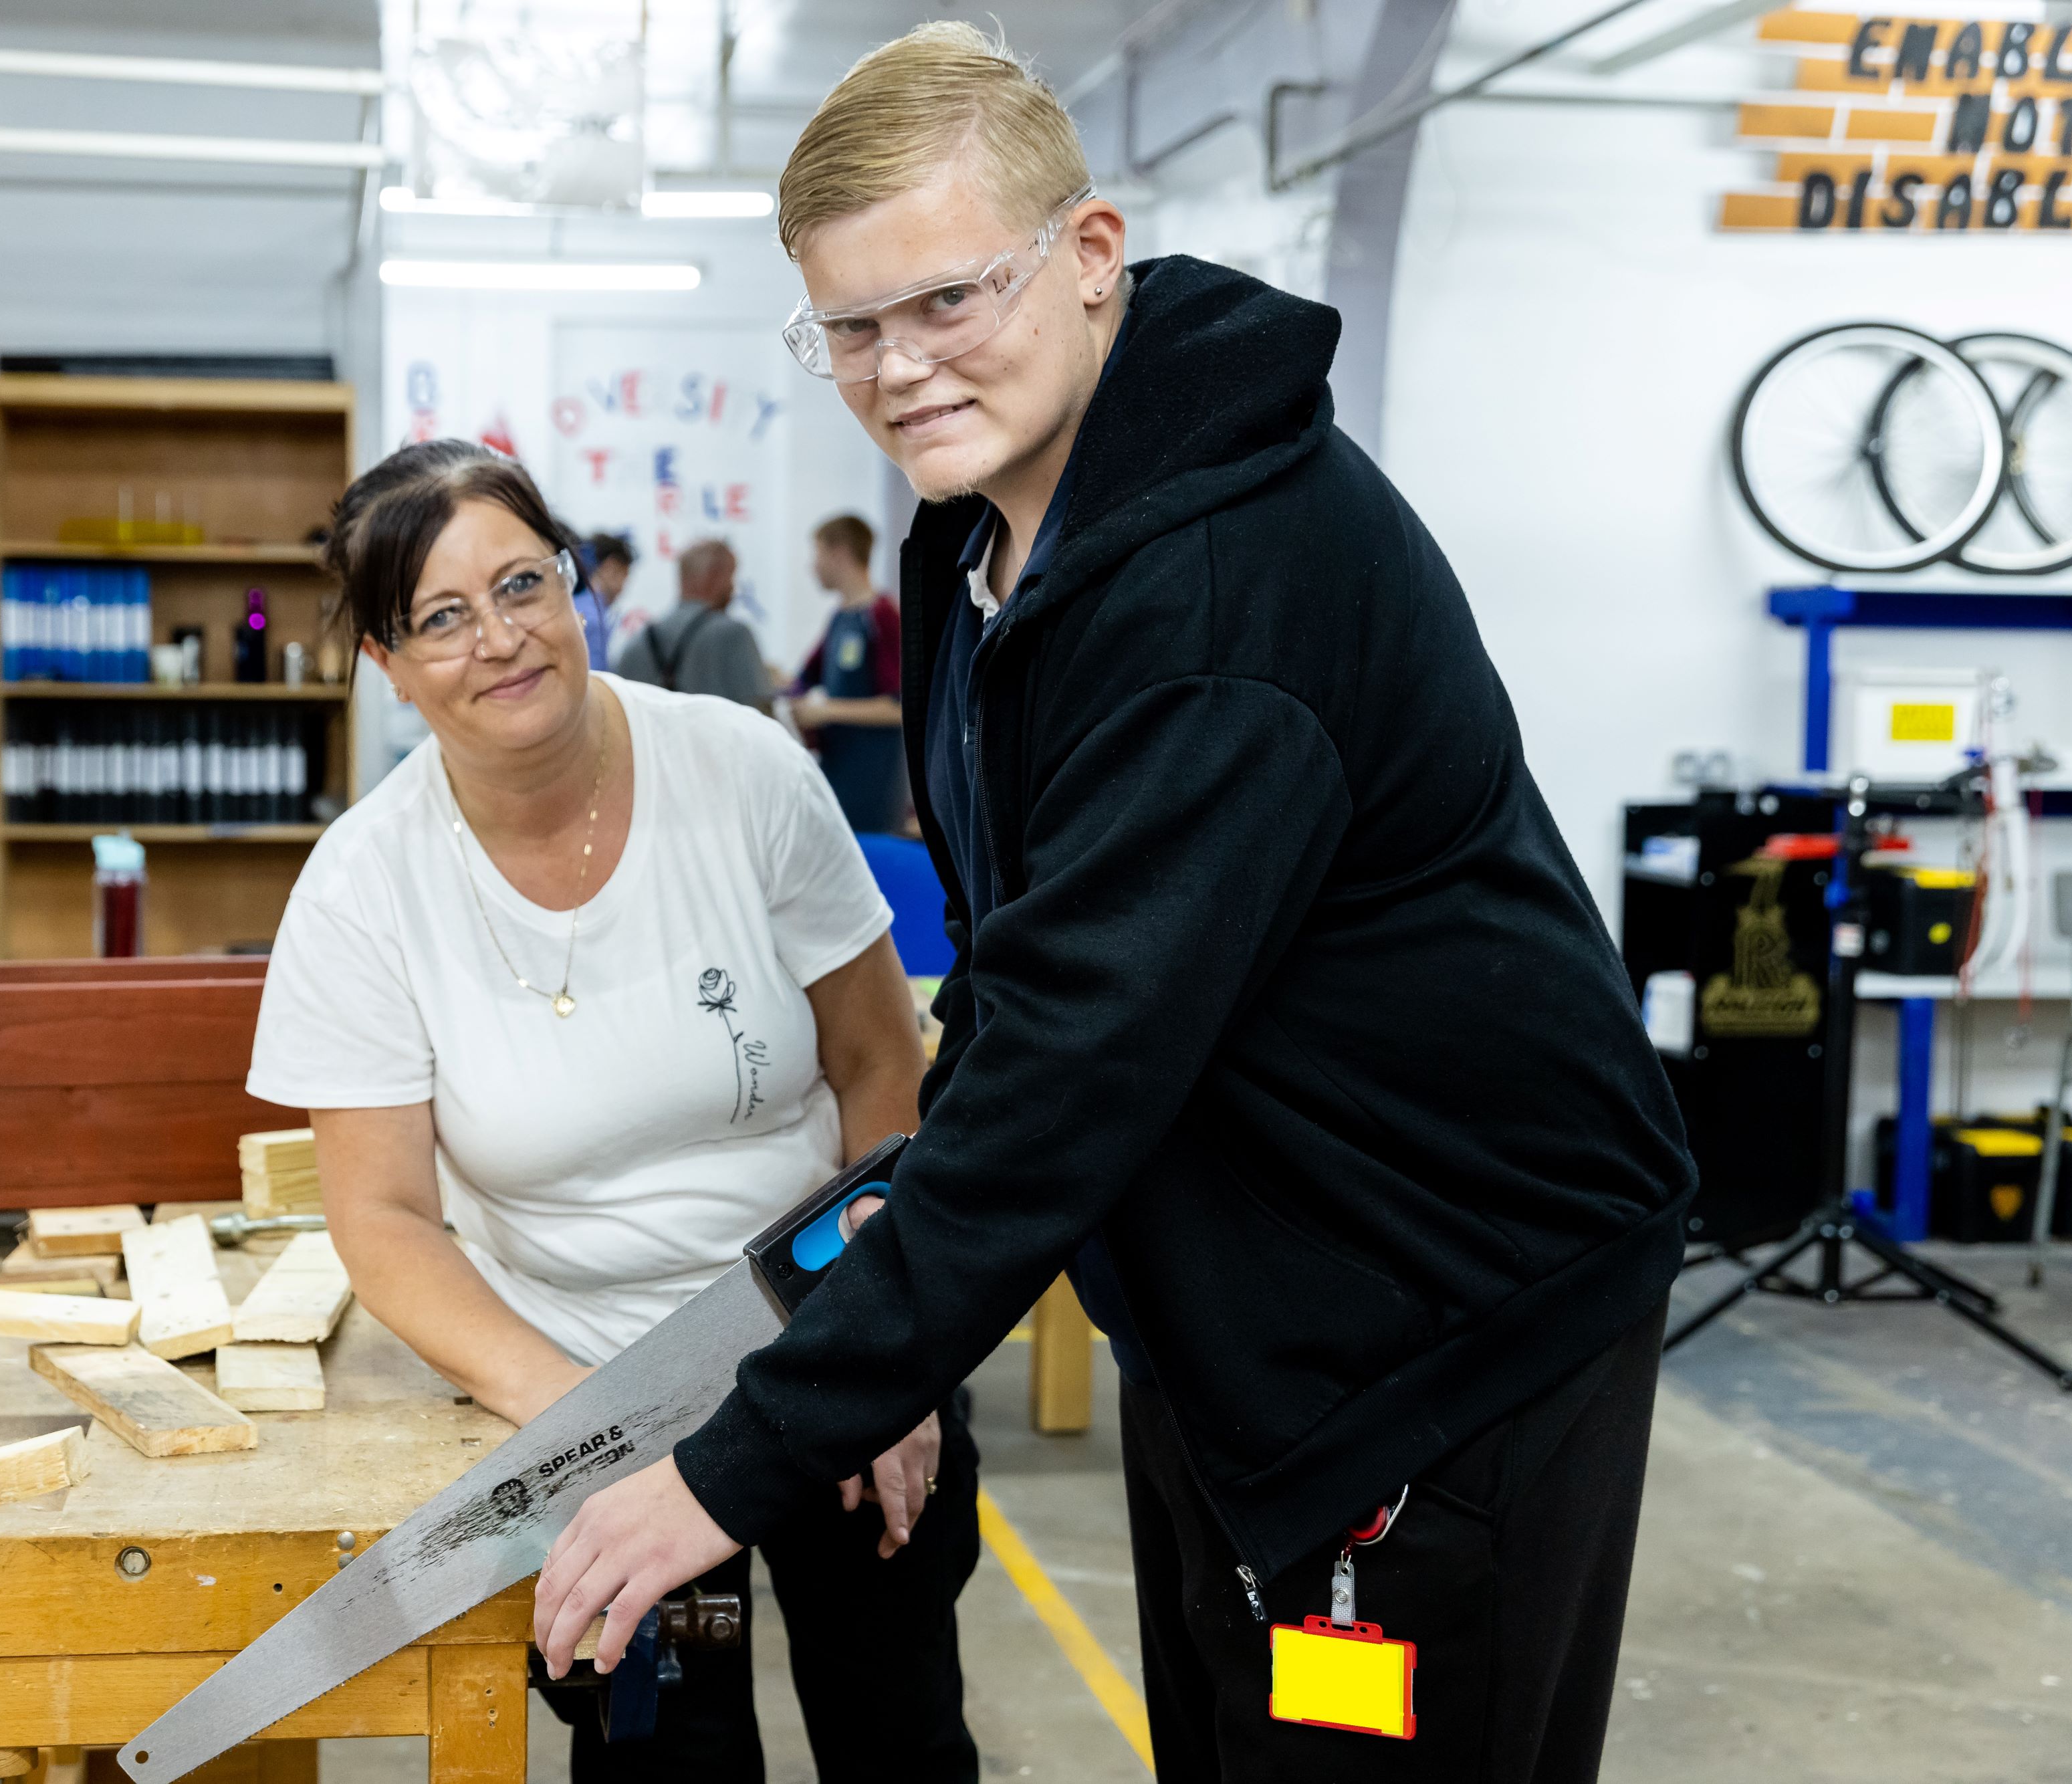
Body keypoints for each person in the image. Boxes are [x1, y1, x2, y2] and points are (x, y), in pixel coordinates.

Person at [535, 25, 1697, 1783]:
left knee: (1355, 1744)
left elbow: (1070, 1080)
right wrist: (875, 1309)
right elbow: (1016, 976)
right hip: (1242, 1297)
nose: (899, 367)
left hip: (1439, 1322)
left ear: (1091, 258)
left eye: (946, 301)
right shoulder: (989, 537)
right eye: (849, 327)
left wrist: (732, 1463)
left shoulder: (1224, 601)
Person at [248, 439, 980, 1783]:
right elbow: (385, 1217)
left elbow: (882, 1065)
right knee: (662, 1758)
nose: (502, 637)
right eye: (442, 616)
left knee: (901, 1731)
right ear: (385, 663)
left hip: (825, 1324)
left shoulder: (740, 768)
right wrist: (585, 1428)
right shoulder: (361, 889)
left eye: (523, 582)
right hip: (574, 1362)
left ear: (577, 585)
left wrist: (892, 1348)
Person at [790, 514, 908, 833]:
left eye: (817, 555)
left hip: (873, 782)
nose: (812, 567)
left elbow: (899, 707)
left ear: (838, 552)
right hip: (837, 770)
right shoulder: (840, 618)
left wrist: (828, 711)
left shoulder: (882, 616)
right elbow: (802, 682)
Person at [615, 539, 772, 711]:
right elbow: (761, 711)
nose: (733, 589)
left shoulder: (636, 645)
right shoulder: (734, 636)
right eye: (731, 577)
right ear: (714, 576)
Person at [578, 531, 634, 671]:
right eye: (624, 576)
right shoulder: (592, 617)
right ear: (610, 567)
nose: (623, 587)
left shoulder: (579, 604)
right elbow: (595, 678)